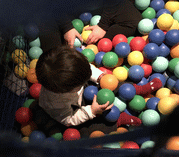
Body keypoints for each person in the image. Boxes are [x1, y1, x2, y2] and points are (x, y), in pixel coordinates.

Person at [31, 46, 162, 137]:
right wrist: (91, 111)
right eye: (79, 84)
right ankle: (117, 120)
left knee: (111, 82)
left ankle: (137, 89)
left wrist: (100, 77)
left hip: (80, 90)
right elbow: (69, 119)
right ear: (64, 91)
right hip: (73, 109)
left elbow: (86, 69)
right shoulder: (54, 102)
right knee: (85, 131)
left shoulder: (72, 64)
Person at [39, 0, 142, 52]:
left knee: (134, 20)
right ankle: (61, 60)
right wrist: (67, 27)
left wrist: (103, 26)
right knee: (45, 20)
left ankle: (92, 46)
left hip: (101, 6)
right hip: (64, 10)